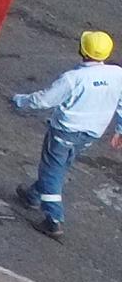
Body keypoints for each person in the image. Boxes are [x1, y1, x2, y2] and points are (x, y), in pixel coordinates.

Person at [11, 28, 122, 237]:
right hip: (91, 134)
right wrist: (120, 129)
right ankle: (33, 195)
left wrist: (20, 101)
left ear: (83, 50)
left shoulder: (73, 78)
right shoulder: (117, 74)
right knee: (59, 166)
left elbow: (44, 100)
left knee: (51, 170)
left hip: (65, 131)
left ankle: (54, 219)